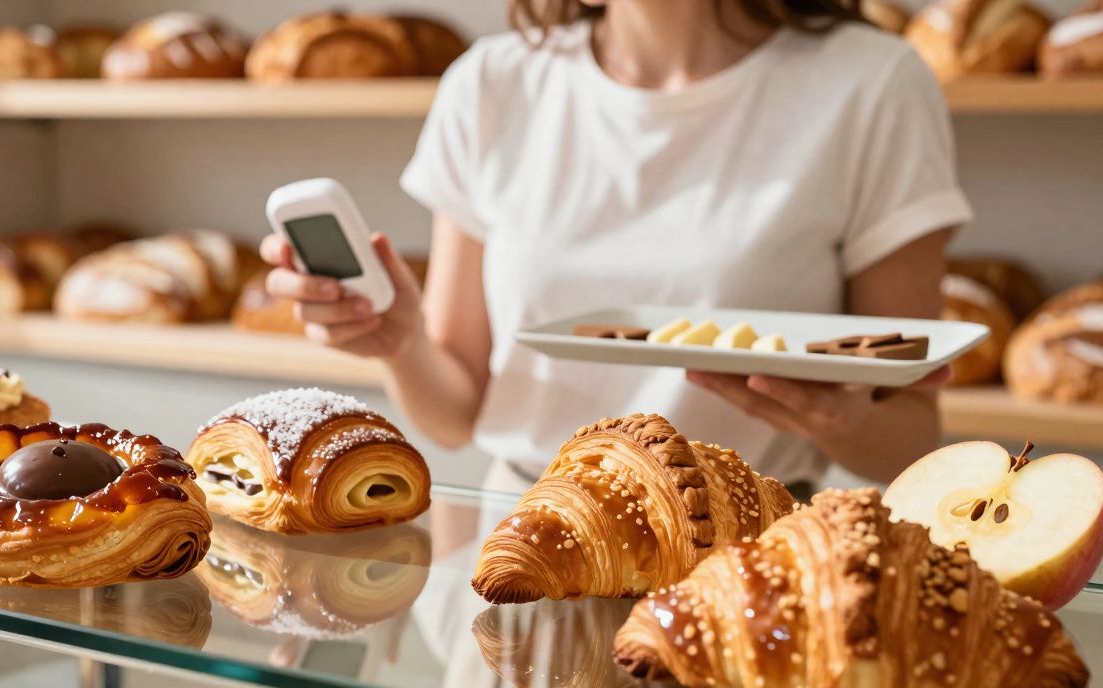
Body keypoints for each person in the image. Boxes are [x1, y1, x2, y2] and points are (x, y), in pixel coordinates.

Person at [259, 0, 971, 493]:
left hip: (748, 559)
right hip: (529, 544)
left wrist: (841, 421)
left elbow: (910, 440)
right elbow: (455, 417)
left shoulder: (873, 83)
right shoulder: (493, 84)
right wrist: (399, 342)